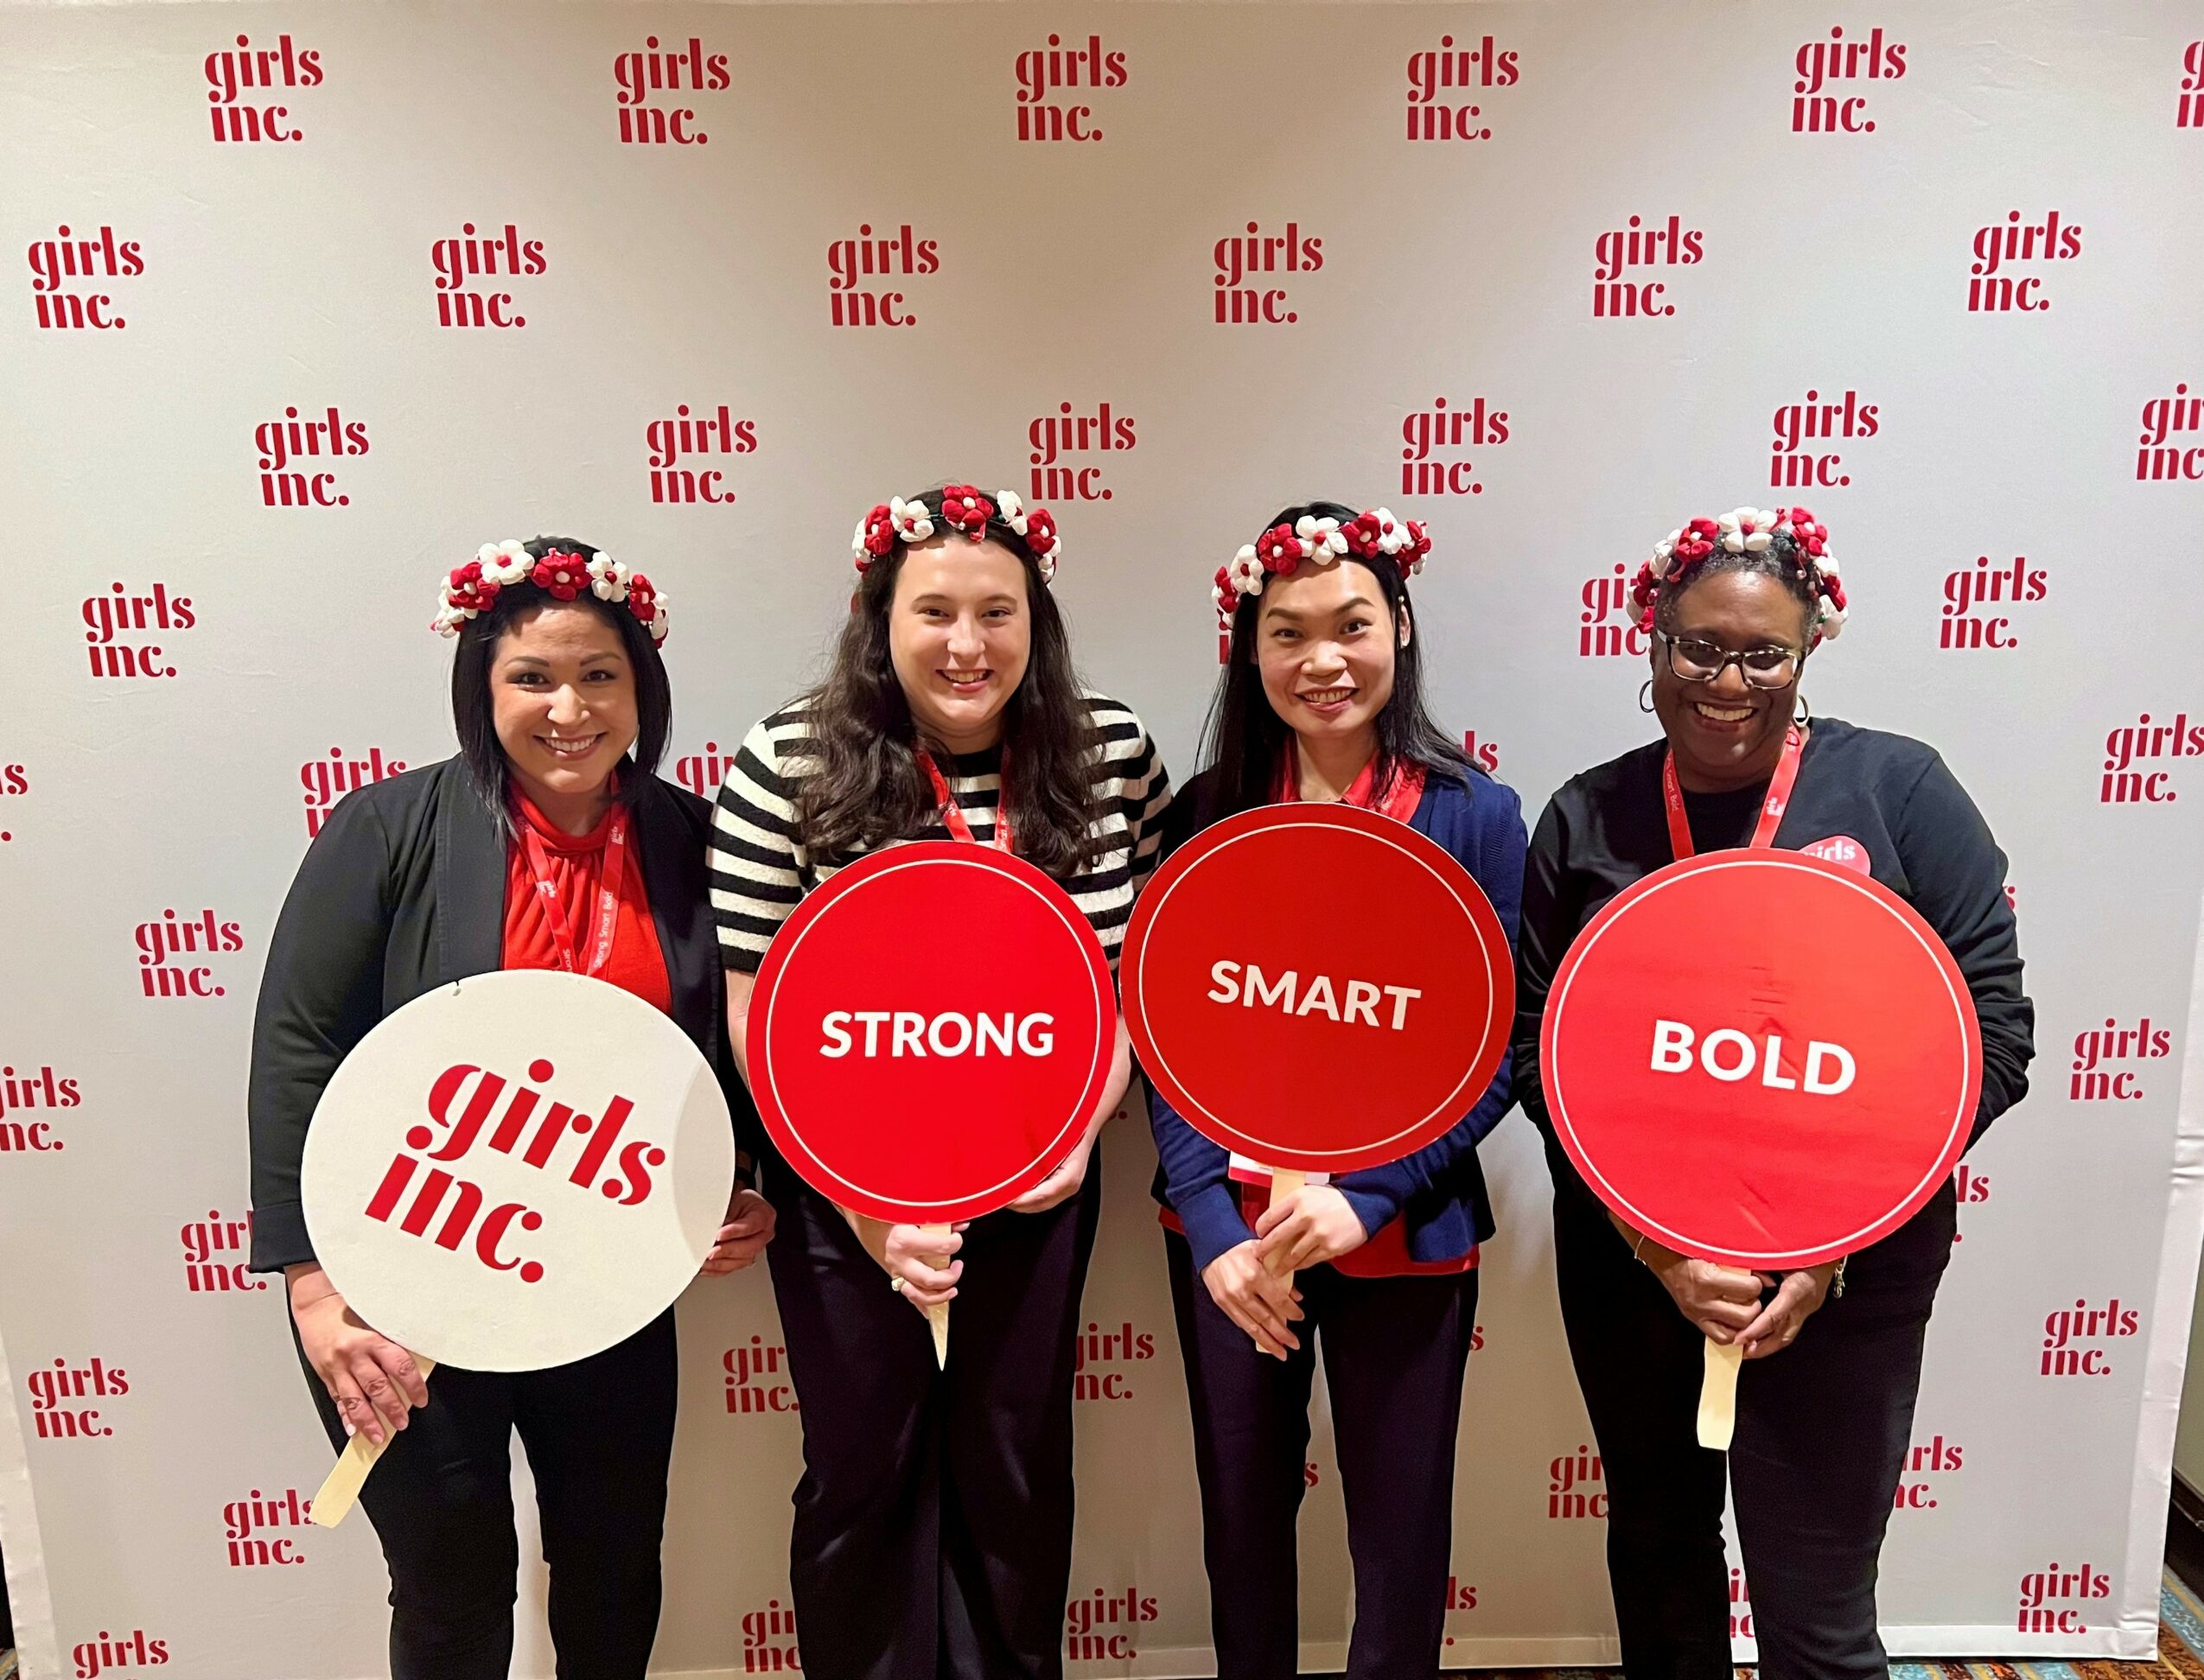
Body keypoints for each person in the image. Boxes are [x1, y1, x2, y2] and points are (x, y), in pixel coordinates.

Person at [1512, 506, 2035, 1680]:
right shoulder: (1586, 813)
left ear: (1810, 651)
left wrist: (1828, 1240)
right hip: (1631, 1267)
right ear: (1652, 642)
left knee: (1818, 1611)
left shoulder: (1900, 790)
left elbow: (1991, 1037)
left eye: (1764, 654)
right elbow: (1539, 1048)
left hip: (1850, 1274)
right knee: (1660, 1565)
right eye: (1698, 647)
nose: (1726, 682)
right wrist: (1653, 1247)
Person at [246, 538, 774, 1680]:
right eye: (532, 678)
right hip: (406, 1280)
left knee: (614, 1566)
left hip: (608, 1284)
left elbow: (729, 1043)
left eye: (599, 676)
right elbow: (299, 1050)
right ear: (480, 690)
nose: (568, 710)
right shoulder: (388, 829)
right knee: (451, 1582)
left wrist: (738, 1184)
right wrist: (316, 1289)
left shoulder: (695, 843)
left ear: (642, 689)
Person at [710, 486, 1170, 1680]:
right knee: (861, 1471)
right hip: (843, 1196)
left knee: (1015, 1473)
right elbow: (756, 1009)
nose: (967, 644)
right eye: (934, 612)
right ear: (881, 618)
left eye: (996, 613)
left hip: (1039, 1185)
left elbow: (1136, 978)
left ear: (1036, 621)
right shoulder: (789, 760)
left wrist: (1078, 1132)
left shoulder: (1111, 754)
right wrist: (862, 1204)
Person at [1148, 503, 1525, 1680]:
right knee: (1241, 1517)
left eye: (1352, 625)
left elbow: (1502, 1041)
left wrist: (1369, 1190)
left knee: (1402, 1533)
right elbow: (1165, 1028)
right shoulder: (1204, 813)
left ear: (1399, 626)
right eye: (1288, 633)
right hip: (1231, 1236)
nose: (1323, 660)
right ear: (1248, 648)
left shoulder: (1473, 813)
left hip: (1403, 1223)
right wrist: (1210, 1220)